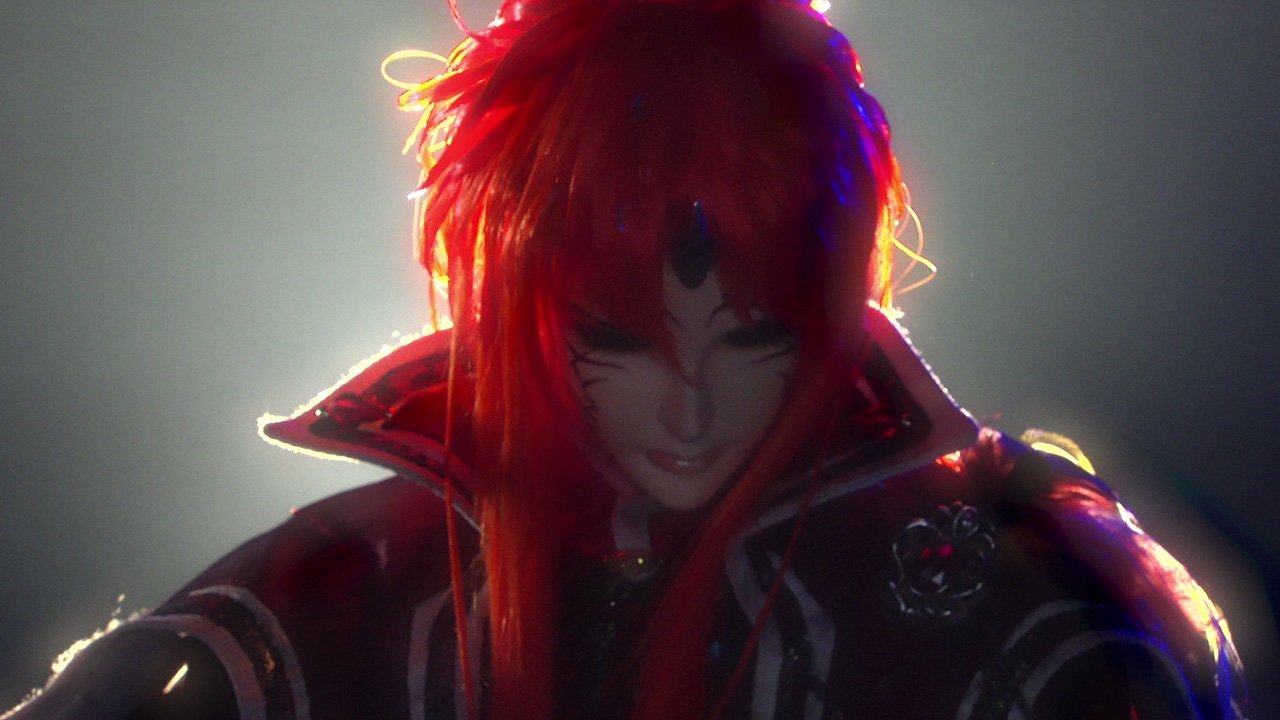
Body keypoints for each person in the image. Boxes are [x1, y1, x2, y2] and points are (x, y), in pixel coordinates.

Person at [4, 0, 1248, 717]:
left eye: (754, 336)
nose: (691, 411)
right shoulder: (363, 579)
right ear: (522, 299)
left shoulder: (1012, 591)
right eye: (619, 342)